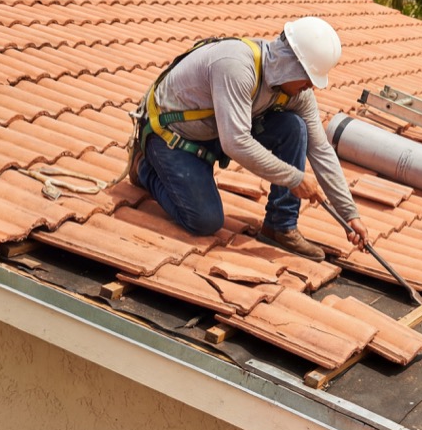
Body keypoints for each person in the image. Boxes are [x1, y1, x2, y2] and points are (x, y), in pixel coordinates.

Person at [131, 16, 368, 260]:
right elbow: (235, 142)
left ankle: (280, 226)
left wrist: (350, 215)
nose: (310, 86)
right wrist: (295, 178)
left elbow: (320, 150)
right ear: (291, 64)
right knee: (205, 221)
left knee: (294, 127)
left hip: (217, 133)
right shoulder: (236, 66)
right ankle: (144, 167)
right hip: (171, 136)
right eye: (308, 78)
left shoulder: (297, 93)